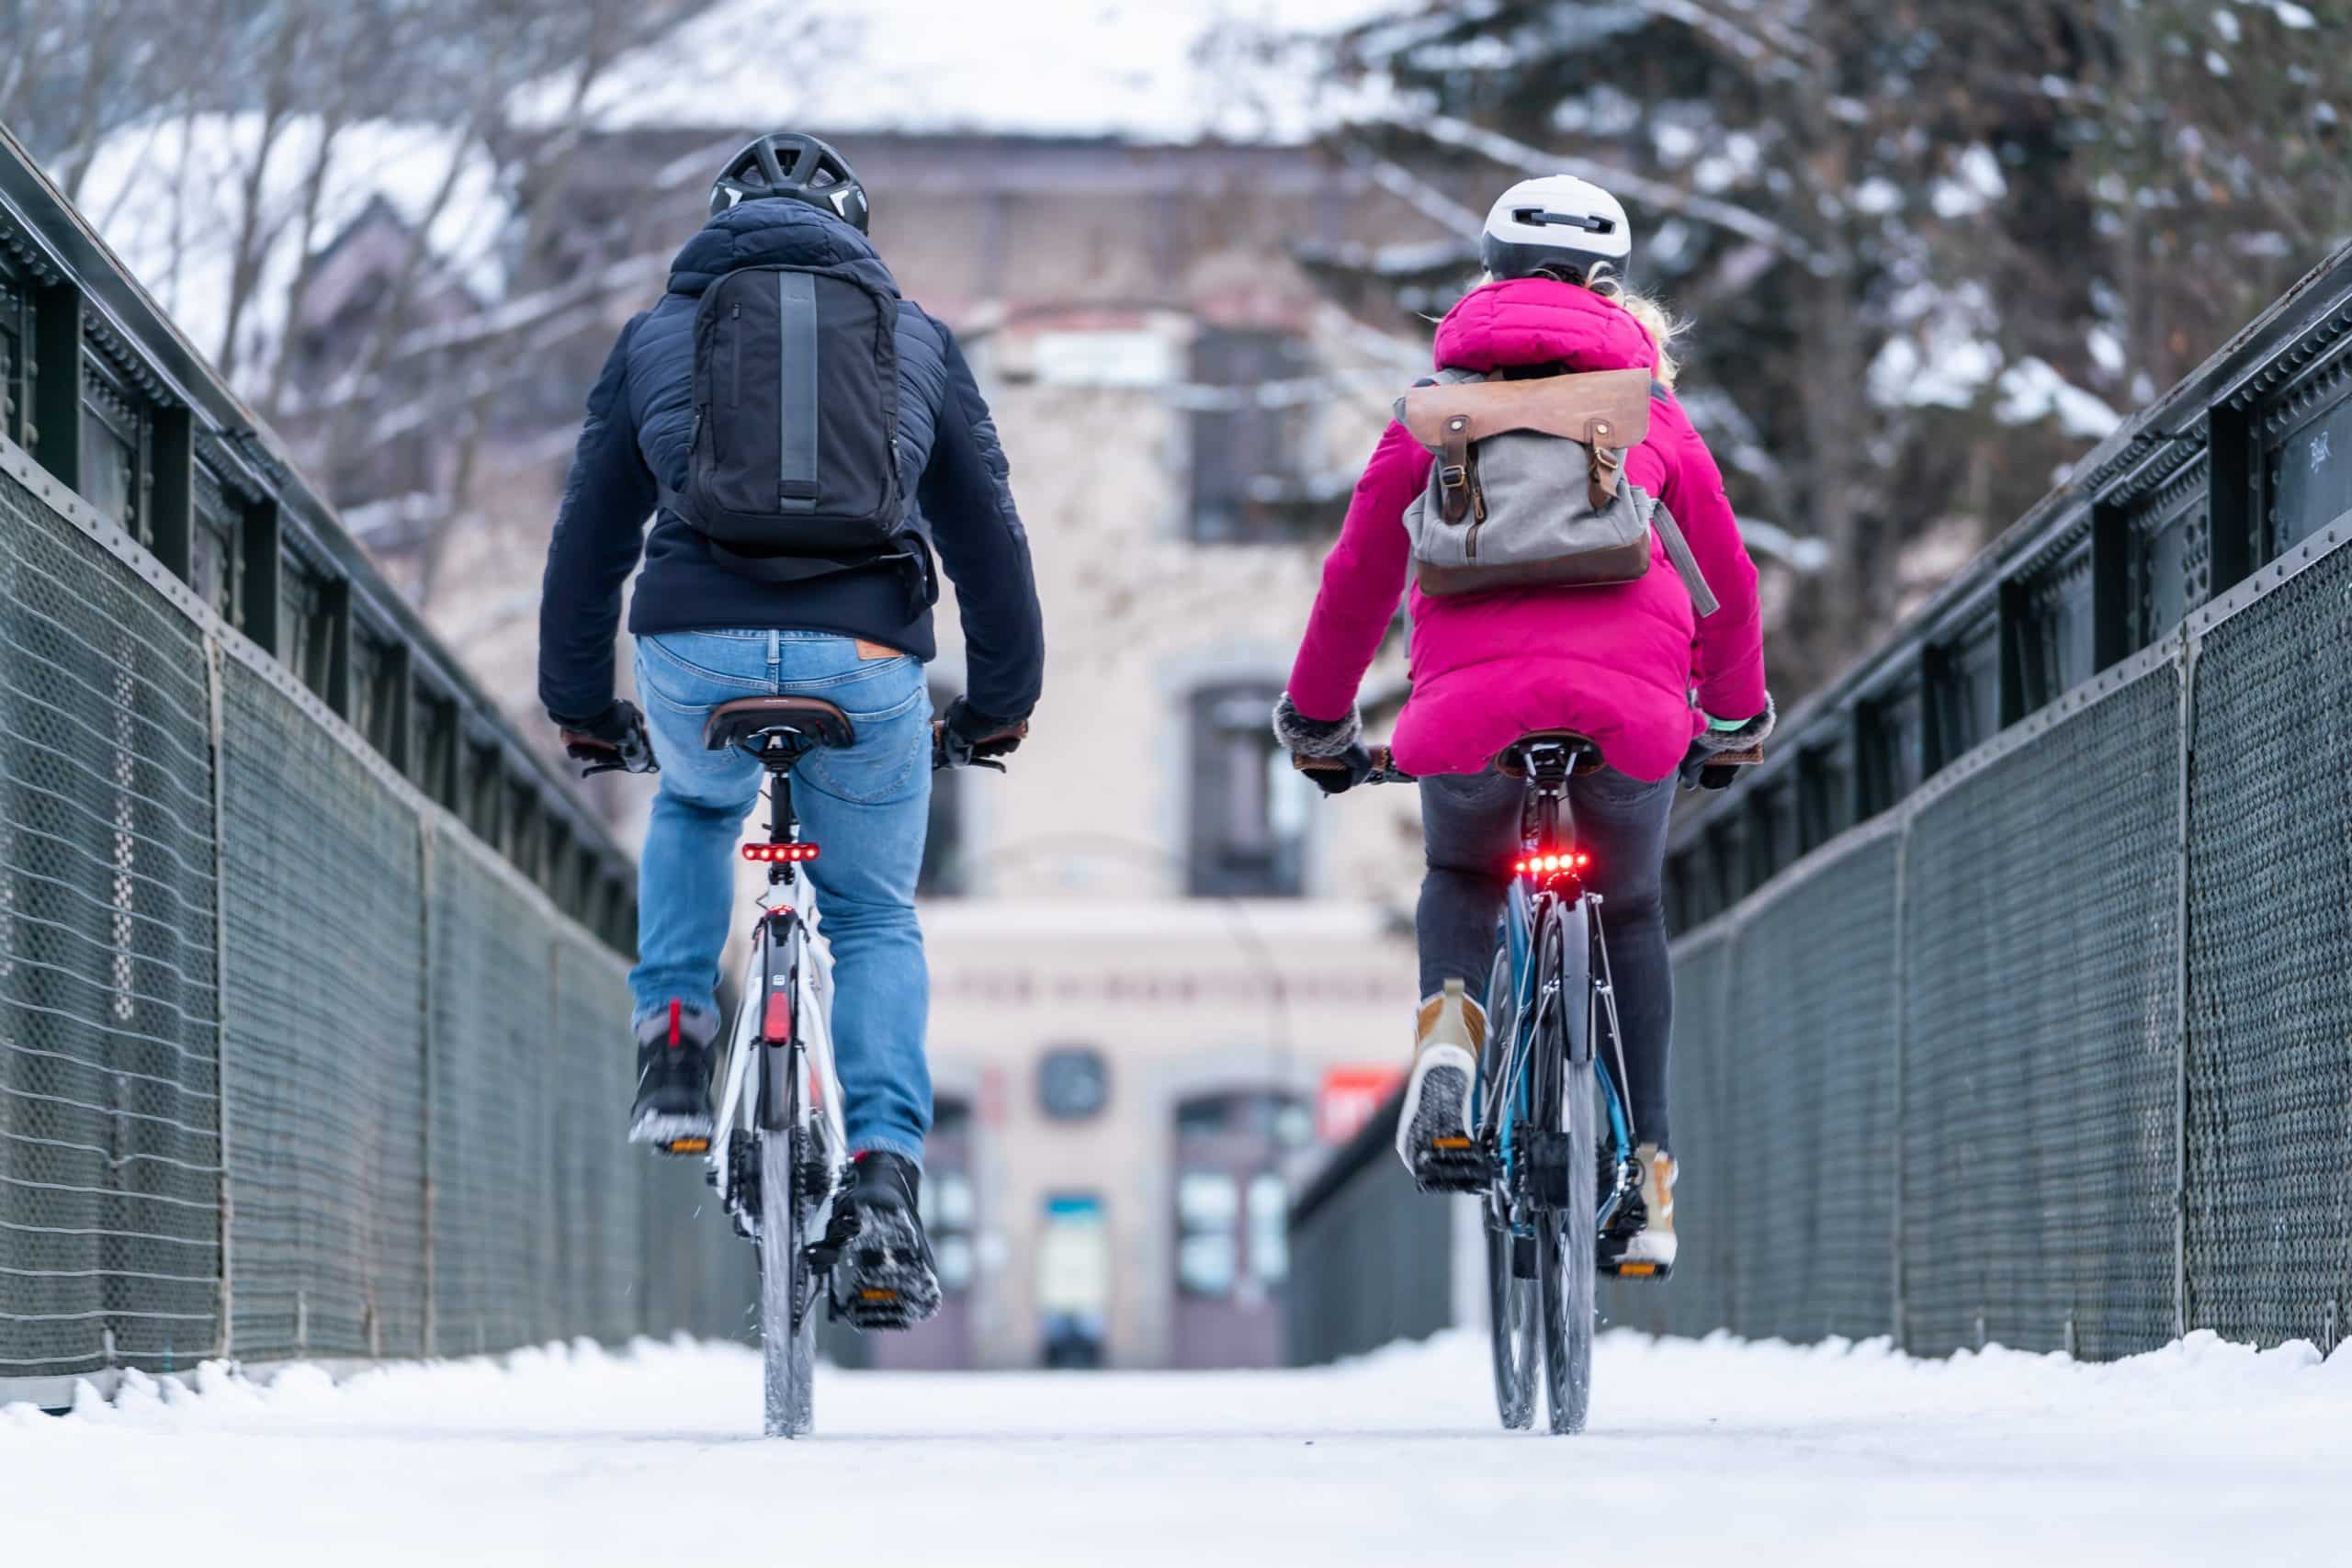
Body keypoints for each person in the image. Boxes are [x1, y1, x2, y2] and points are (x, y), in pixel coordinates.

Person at [538, 133, 1044, 1324]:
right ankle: (881, 1176)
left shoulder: (658, 332)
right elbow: (988, 535)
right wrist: (1001, 698)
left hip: (693, 642)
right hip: (867, 653)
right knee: (871, 913)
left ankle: (673, 1037)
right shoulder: (913, 336)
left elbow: (589, 535)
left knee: (699, 800)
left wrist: (581, 704)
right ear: (856, 230)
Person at [1272, 175, 1770, 1276]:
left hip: (1467, 715)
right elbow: (1726, 583)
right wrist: (1732, 717)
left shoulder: (1434, 411)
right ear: (1611, 288)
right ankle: (1645, 1178)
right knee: (1629, 915)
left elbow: (1357, 577)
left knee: (1463, 874)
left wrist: (1318, 723)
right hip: (1633, 715)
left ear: (1487, 276)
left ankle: (1451, 1033)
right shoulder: (1650, 413)